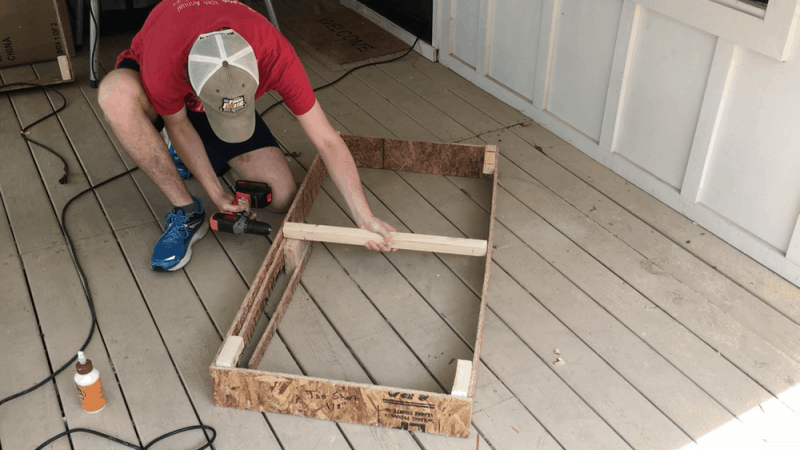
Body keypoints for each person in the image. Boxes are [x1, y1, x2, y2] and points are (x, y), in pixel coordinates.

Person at [97, 0, 395, 272]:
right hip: (160, 90)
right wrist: (216, 194)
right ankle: (186, 211)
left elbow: (327, 139)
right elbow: (179, 125)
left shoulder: (275, 53)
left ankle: (198, 152)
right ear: (190, 80)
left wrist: (364, 216)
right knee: (116, 97)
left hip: (203, 104)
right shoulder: (165, 62)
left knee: (280, 195)